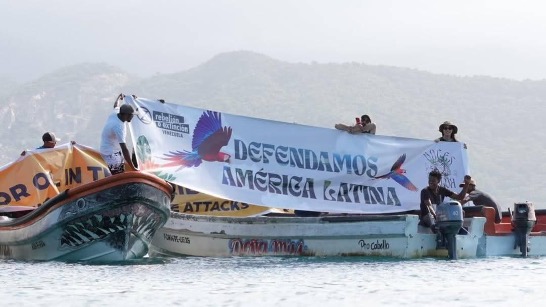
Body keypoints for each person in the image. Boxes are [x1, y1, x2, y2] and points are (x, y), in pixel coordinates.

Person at [100, 94, 138, 175]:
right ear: (126, 115)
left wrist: (119, 98)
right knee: (118, 174)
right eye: (131, 115)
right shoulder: (118, 127)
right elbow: (124, 149)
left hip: (108, 149)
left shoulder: (116, 112)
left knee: (120, 171)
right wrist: (133, 168)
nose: (132, 117)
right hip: (111, 154)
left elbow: (116, 105)